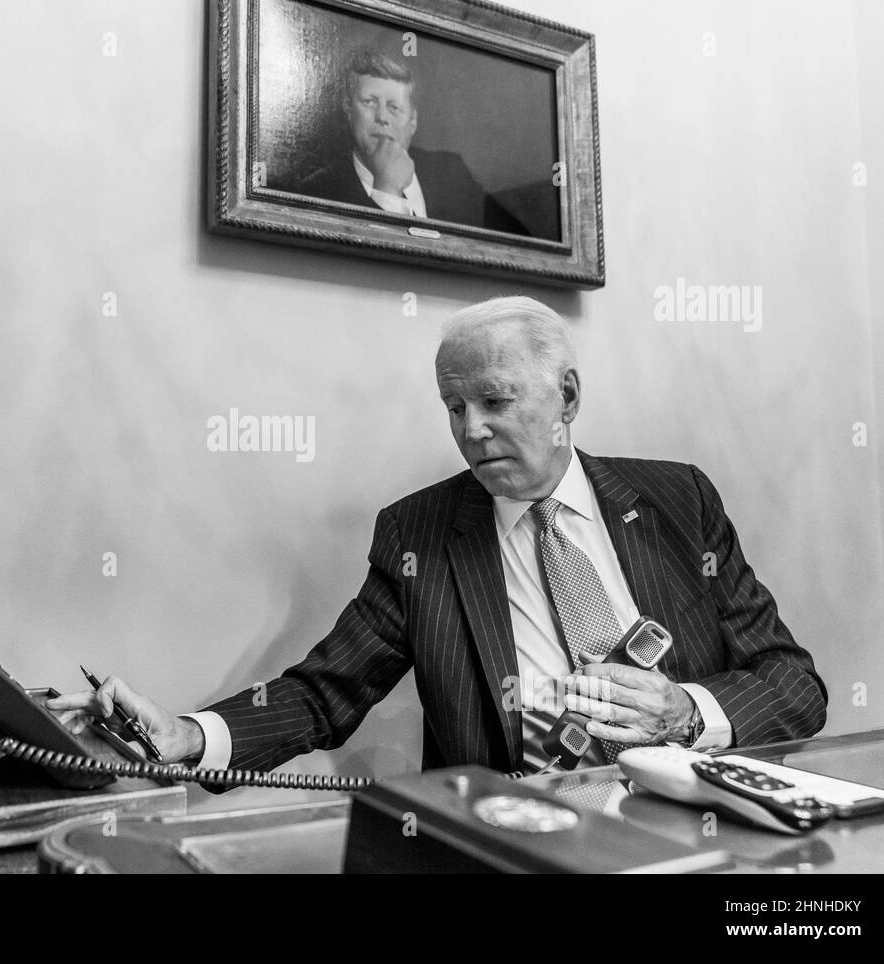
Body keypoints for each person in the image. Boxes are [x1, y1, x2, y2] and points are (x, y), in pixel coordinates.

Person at [48, 296, 827, 781]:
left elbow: (794, 684)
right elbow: (324, 693)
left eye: (493, 400)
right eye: (453, 406)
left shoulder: (676, 500)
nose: (471, 430)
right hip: (518, 848)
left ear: (568, 397)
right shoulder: (419, 533)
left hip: (689, 841)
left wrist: (686, 713)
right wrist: (190, 735)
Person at [297, 50, 529, 236]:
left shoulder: (451, 171)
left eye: (394, 107)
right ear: (348, 110)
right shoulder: (318, 189)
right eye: (369, 102)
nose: (382, 117)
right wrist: (386, 189)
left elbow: (517, 243)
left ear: (413, 122)